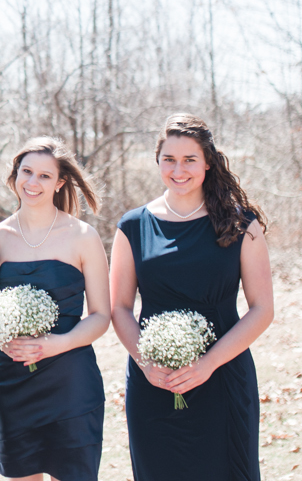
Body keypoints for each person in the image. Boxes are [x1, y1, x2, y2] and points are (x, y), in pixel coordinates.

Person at [109, 113, 274, 481]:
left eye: (189, 160)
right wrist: (146, 363)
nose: (178, 169)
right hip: (155, 381)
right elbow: (119, 307)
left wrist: (208, 364)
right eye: (169, 159)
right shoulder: (133, 226)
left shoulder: (240, 224)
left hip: (223, 375)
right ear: (158, 161)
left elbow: (262, 309)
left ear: (208, 163)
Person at [0, 137, 109, 481]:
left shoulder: (83, 236)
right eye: (26, 172)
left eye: (44, 175)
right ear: (15, 176)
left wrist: (57, 344)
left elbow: (101, 316)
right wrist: (2, 341)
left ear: (60, 182)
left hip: (71, 379)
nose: (32, 182)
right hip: (13, 379)